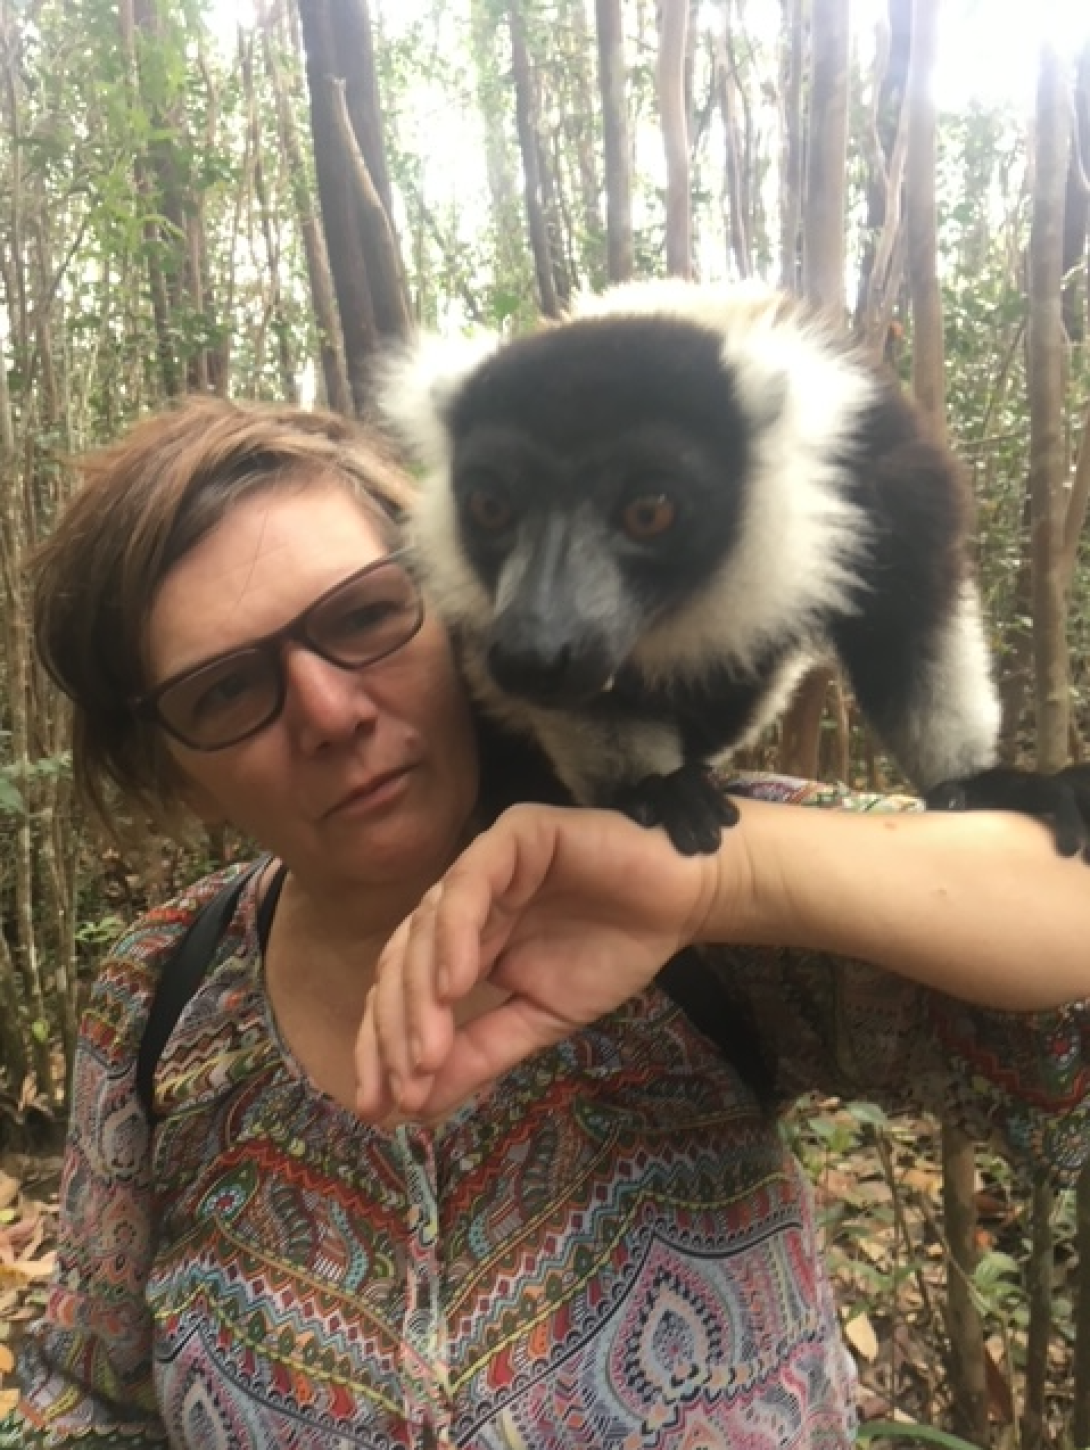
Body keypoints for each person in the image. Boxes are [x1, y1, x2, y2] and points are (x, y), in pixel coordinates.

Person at [7, 394, 1089, 1449]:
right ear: (178, 774)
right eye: (227, 689)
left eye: (365, 615)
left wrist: (716, 883)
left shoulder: (674, 868)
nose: (331, 713)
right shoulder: (161, 992)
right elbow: (90, 1391)